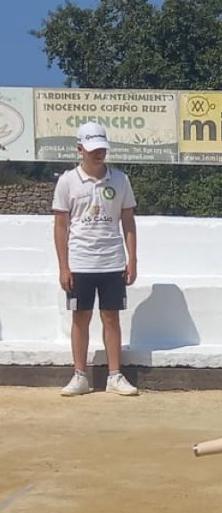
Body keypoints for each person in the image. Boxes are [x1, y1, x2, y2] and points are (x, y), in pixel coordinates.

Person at [52, 121, 139, 396]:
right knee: (81, 317)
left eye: (102, 148)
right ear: (80, 149)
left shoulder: (121, 180)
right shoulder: (67, 181)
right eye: (92, 149)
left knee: (111, 317)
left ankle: (115, 375)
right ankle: (80, 375)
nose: (98, 153)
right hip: (80, 262)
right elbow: (61, 226)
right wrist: (63, 266)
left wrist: (132, 258)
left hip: (112, 260)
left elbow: (128, 221)